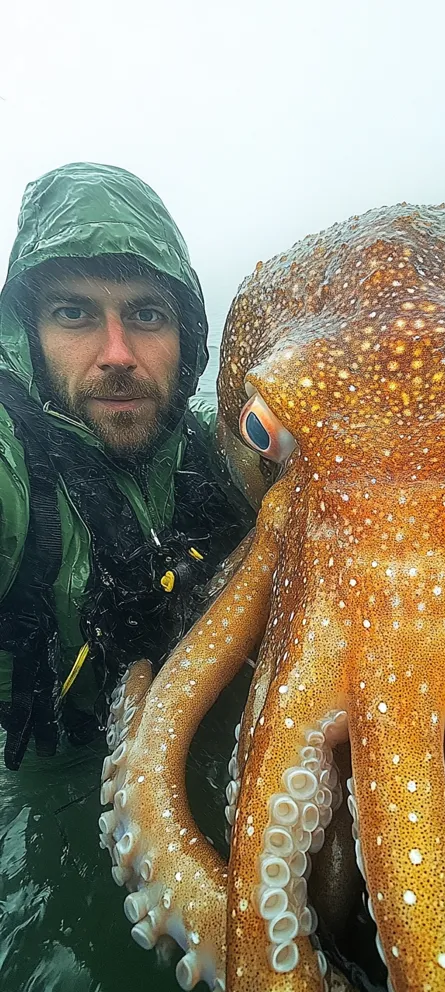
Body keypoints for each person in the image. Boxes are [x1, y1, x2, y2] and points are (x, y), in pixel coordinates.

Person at [0, 162, 253, 771]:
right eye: (74, 314)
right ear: (30, 338)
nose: (117, 354)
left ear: (186, 339)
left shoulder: (221, 454)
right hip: (45, 777)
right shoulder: (16, 471)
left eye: (146, 315)